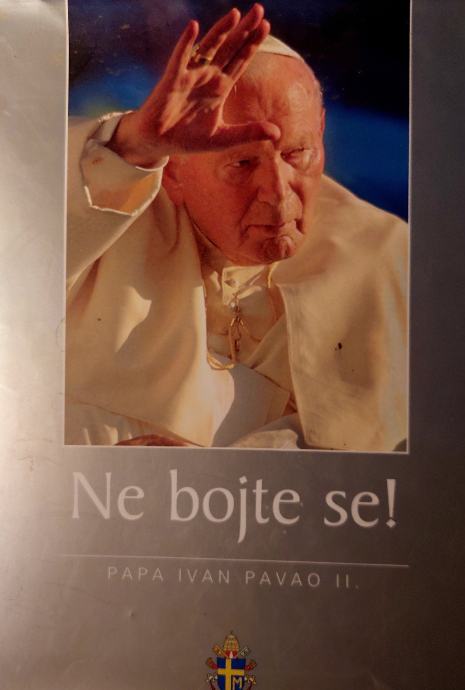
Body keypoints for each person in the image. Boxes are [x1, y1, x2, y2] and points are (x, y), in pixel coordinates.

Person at [66, 4, 408, 451]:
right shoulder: (106, 211)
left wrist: (215, 477)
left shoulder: (385, 254)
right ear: (173, 172)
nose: (278, 193)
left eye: (297, 154)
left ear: (321, 129)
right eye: (243, 163)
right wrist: (130, 148)